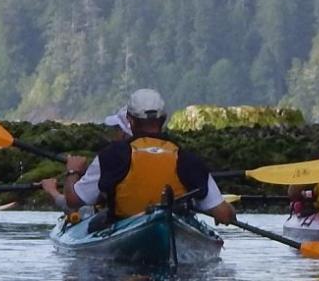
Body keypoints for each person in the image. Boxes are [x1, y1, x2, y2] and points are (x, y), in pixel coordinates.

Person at [58, 89, 238, 225]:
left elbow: (73, 200)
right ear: (164, 119)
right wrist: (229, 212)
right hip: (171, 225)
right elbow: (223, 215)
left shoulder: (111, 155)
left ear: (130, 120)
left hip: (125, 228)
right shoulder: (188, 159)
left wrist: (73, 171)